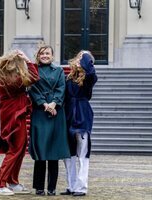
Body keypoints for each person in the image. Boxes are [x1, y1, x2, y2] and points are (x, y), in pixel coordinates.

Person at [0, 50, 39, 196]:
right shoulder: (15, 80)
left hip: (9, 112)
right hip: (14, 114)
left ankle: (13, 182)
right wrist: (27, 60)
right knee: (15, 149)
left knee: (19, 148)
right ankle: (0, 184)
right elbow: (34, 77)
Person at [28, 45, 70, 196]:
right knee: (40, 152)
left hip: (56, 114)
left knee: (54, 153)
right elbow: (32, 89)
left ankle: (52, 187)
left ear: (52, 56)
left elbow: (62, 88)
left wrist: (54, 103)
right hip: (40, 113)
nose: (45, 56)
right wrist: (44, 104)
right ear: (38, 56)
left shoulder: (58, 70)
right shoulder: (33, 70)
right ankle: (39, 187)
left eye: (47, 53)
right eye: (42, 54)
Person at [60, 50, 98, 196]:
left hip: (82, 115)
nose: (80, 59)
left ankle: (81, 187)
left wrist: (86, 56)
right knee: (69, 154)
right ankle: (72, 185)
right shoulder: (68, 78)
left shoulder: (89, 78)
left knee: (83, 153)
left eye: (84, 58)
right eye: (79, 56)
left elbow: (90, 71)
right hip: (68, 115)